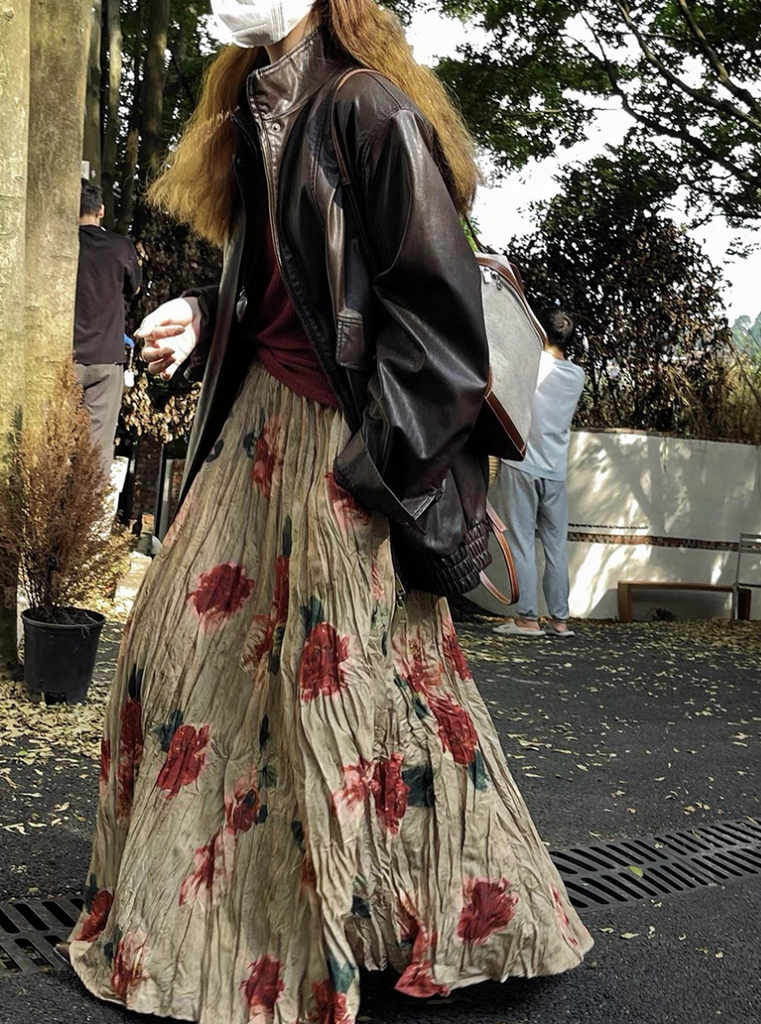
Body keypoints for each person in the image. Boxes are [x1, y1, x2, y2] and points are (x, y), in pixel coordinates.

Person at [64, 3, 592, 1022]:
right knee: (177, 657)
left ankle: (419, 917)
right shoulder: (251, 107)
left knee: (346, 685)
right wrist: (207, 313)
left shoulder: (366, 107)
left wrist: (369, 469)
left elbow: (442, 328)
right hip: (255, 431)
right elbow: (299, 286)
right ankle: (227, 920)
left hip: (341, 444)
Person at [493, 308, 586, 638]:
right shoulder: (577, 376)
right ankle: (560, 621)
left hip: (521, 464)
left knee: (521, 542)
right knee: (556, 547)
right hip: (555, 470)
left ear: (540, 332)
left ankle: (528, 619)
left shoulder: (529, 363)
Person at [74, 182, 142, 479]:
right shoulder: (120, 248)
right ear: (101, 210)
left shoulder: (60, 244)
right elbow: (134, 288)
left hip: (64, 358)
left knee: (53, 440)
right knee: (97, 447)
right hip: (106, 358)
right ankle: (85, 506)